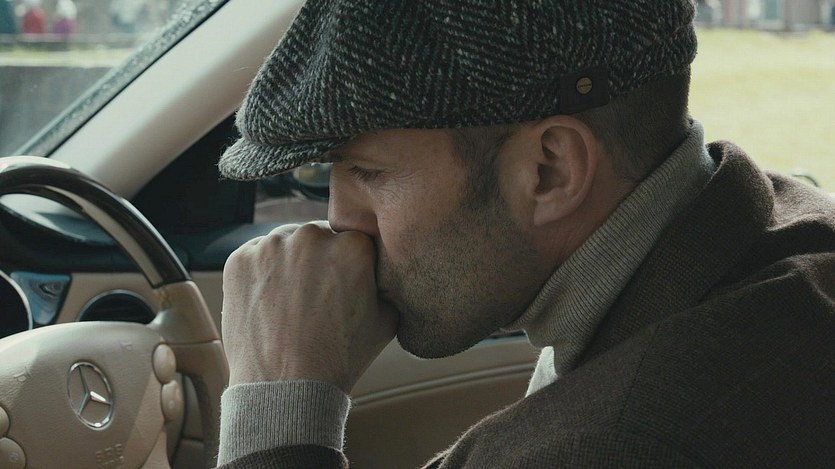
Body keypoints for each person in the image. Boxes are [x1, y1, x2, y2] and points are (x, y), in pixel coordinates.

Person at [215, 1, 835, 467]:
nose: (341, 220)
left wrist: (276, 410)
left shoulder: (621, 441)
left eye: (368, 173)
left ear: (550, 170)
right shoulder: (786, 233)